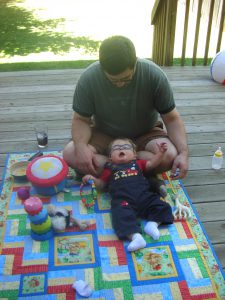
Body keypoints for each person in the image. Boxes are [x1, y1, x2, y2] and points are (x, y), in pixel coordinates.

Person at [63, 35, 188, 180]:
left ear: (135, 62)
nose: (120, 84)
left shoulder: (154, 75)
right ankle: (137, 170)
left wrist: (183, 153)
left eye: (126, 79)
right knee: (70, 152)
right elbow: (80, 120)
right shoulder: (89, 78)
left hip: (145, 133)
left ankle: (112, 171)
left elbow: (171, 118)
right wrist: (81, 148)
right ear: (102, 68)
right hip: (104, 133)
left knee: (170, 155)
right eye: (113, 80)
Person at [82, 138, 174, 252]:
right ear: (110, 157)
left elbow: (152, 164)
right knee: (120, 216)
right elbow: (102, 184)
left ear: (135, 155)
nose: (121, 149)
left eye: (126, 147)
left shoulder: (138, 163)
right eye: (116, 148)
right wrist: (93, 179)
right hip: (123, 201)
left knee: (163, 206)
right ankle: (136, 237)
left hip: (144, 196)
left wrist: (161, 153)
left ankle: (153, 224)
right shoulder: (109, 168)